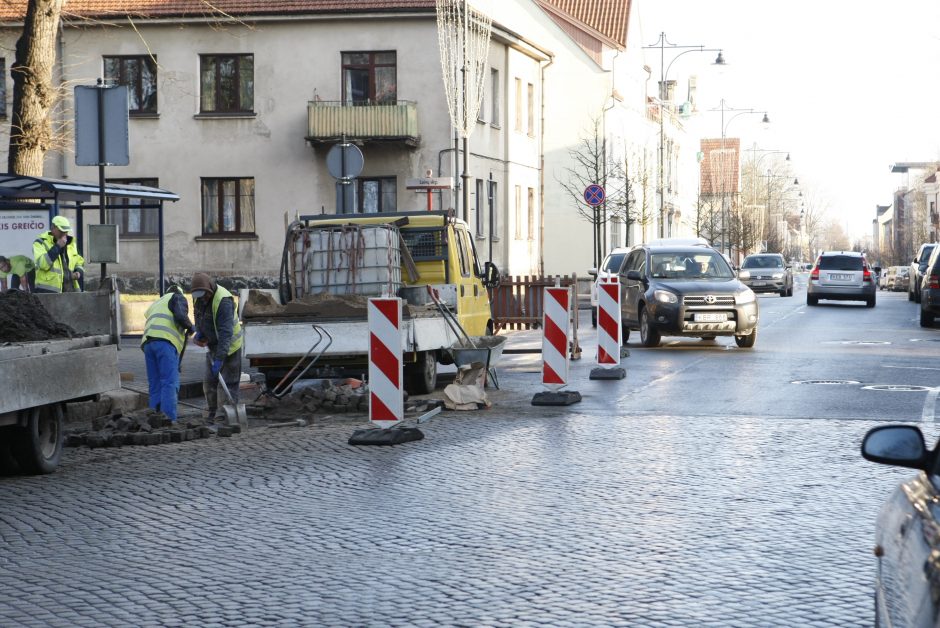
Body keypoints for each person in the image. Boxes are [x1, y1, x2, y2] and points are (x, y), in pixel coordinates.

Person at [190, 272, 243, 423]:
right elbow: (197, 314)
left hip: (230, 347)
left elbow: (226, 334)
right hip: (212, 345)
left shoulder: (223, 301)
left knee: (226, 384)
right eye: (199, 296)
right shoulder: (198, 298)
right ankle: (211, 415)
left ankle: (225, 416)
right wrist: (200, 331)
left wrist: (220, 359)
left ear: (210, 289)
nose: (203, 299)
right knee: (209, 383)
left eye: (205, 295)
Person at [141, 284, 194, 423]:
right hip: (165, 343)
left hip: (148, 344)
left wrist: (177, 363)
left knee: (155, 384)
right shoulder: (177, 297)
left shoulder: (158, 302)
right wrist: (191, 326)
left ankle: (154, 418)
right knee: (169, 383)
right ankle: (168, 420)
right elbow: (180, 316)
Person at [33, 215, 85, 293]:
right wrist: (57, 246)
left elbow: (79, 262)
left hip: (70, 291)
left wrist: (78, 272)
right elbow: (43, 264)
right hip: (48, 291)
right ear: (53, 228)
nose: (64, 234)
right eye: (61, 231)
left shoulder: (71, 243)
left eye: (66, 231)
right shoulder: (40, 243)